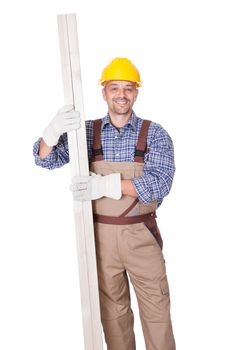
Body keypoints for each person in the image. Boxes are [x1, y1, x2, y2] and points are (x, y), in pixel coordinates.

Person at [33, 57, 176, 350]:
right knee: (113, 316)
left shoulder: (155, 133)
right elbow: (44, 159)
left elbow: (160, 183)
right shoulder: (85, 132)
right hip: (99, 239)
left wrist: (106, 186)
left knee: (157, 313)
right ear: (104, 92)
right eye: (114, 88)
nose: (121, 95)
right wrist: (53, 130)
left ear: (136, 92)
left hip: (141, 237)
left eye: (128, 88)